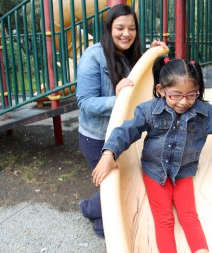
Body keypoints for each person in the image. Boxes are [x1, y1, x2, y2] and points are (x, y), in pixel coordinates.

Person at [91, 57, 212, 252]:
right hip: (155, 171)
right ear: (161, 90)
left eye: (192, 95)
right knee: (164, 218)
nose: (184, 101)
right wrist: (109, 154)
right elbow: (126, 131)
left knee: (189, 215)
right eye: (176, 95)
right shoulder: (149, 111)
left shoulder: (203, 113)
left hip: (183, 172)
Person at [76, 4, 166, 237]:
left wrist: (153, 55)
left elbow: (147, 84)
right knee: (112, 183)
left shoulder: (131, 57)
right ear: (109, 28)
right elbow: (85, 102)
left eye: (131, 28)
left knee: (122, 181)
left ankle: (93, 209)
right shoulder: (93, 56)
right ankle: (94, 214)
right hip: (97, 136)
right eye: (120, 28)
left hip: (124, 135)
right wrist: (117, 99)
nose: (126, 33)